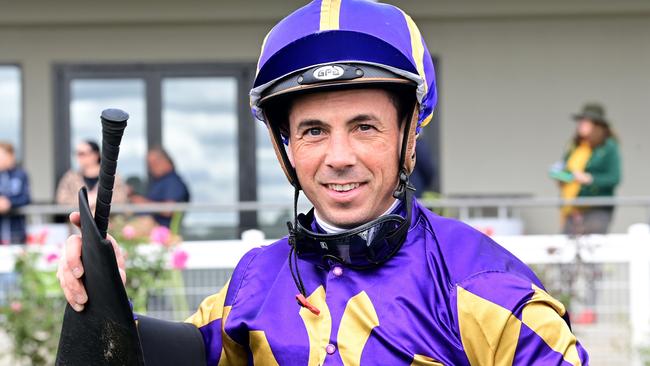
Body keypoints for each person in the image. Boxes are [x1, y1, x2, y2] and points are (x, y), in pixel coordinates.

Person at [58, 1, 589, 364]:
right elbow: (189, 354)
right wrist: (105, 298)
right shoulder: (254, 280)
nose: (339, 157)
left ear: (409, 136)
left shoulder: (492, 293)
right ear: (285, 145)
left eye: (364, 127)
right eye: (313, 131)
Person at [559, 103, 621, 235]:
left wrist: (589, 178)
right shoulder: (575, 146)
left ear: (597, 125)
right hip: (573, 207)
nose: (580, 124)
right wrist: (561, 175)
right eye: (580, 121)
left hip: (596, 207)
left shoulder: (608, 147)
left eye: (585, 121)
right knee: (566, 247)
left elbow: (614, 177)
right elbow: (566, 169)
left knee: (592, 248)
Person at [56, 140, 128, 214]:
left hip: (109, 222)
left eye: (82, 154)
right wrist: (84, 201)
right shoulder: (70, 177)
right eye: (77, 154)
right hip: (78, 222)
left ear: (95, 155)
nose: (78, 157)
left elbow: (121, 199)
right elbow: (61, 199)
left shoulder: (112, 177)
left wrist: (99, 200)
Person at [129, 147, 190, 228]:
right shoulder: (159, 181)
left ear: (166, 161)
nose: (151, 168)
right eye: (149, 165)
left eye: (155, 163)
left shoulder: (172, 181)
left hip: (161, 232)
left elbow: (169, 209)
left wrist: (143, 203)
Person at [0, 142, 31, 244]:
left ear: (10, 155)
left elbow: (25, 198)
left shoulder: (21, 174)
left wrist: (9, 203)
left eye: (2, 155)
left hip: (16, 232)